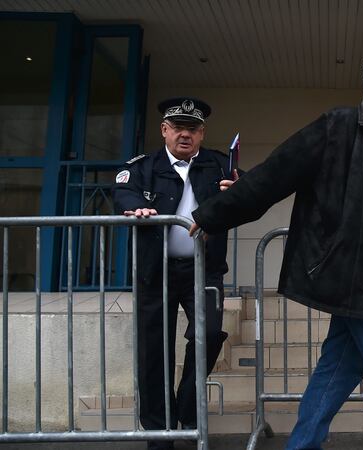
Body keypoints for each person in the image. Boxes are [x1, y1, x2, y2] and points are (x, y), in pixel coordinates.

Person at [190, 50, 363, 449]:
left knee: (339, 368)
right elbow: (278, 172)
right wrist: (214, 214)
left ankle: (302, 444)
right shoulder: (341, 126)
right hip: (362, 270)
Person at [112, 97, 237, 450]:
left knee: (210, 334)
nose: (185, 135)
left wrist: (238, 193)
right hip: (156, 272)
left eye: (192, 129)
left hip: (204, 270)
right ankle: (159, 434)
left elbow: (249, 197)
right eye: (178, 128)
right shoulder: (142, 167)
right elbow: (122, 191)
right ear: (164, 131)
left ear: (202, 133)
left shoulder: (221, 165)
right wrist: (131, 207)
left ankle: (187, 409)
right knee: (154, 352)